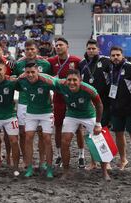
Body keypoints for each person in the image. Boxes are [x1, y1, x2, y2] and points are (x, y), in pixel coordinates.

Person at [53, 69, 104, 180]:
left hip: (89, 115)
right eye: (69, 80)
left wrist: (98, 124)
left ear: (80, 80)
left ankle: (105, 172)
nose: (72, 82)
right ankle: (66, 171)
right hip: (72, 115)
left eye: (75, 80)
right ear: (65, 81)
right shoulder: (61, 85)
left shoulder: (89, 89)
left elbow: (99, 105)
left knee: (99, 142)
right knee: (65, 141)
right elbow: (48, 80)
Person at [12, 40, 52, 169]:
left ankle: (42, 160)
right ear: (24, 50)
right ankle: (26, 160)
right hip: (24, 103)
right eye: (27, 49)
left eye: (32, 49)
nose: (29, 51)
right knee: (24, 134)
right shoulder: (18, 64)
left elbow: (49, 82)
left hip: (41, 104)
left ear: (37, 50)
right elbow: (16, 84)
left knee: (41, 134)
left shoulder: (45, 64)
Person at [47, 37, 85, 168]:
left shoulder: (76, 61)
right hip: (58, 99)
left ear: (67, 46)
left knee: (78, 128)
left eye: (60, 45)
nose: (58, 47)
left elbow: (83, 78)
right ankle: (58, 155)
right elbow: (42, 71)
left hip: (74, 99)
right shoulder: (51, 61)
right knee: (58, 127)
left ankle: (81, 155)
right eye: (56, 45)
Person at [78, 39, 112, 172]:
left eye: (93, 48)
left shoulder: (106, 61)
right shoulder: (82, 63)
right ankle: (93, 162)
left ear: (98, 49)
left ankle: (106, 161)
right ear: (86, 49)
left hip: (103, 102)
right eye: (89, 49)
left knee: (103, 132)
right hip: (88, 104)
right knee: (91, 134)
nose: (91, 51)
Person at [108, 46, 131, 176]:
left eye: (118, 55)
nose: (115, 57)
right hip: (115, 108)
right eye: (113, 55)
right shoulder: (110, 68)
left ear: (122, 55)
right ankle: (123, 160)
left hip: (130, 108)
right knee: (118, 134)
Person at [18, 62, 55, 178]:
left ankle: (48, 168)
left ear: (37, 72)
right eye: (27, 72)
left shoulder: (46, 81)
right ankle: (29, 167)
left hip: (46, 113)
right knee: (28, 138)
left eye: (32, 72)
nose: (30, 75)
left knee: (47, 139)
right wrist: (18, 77)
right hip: (31, 113)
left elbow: (60, 84)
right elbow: (10, 82)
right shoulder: (22, 81)